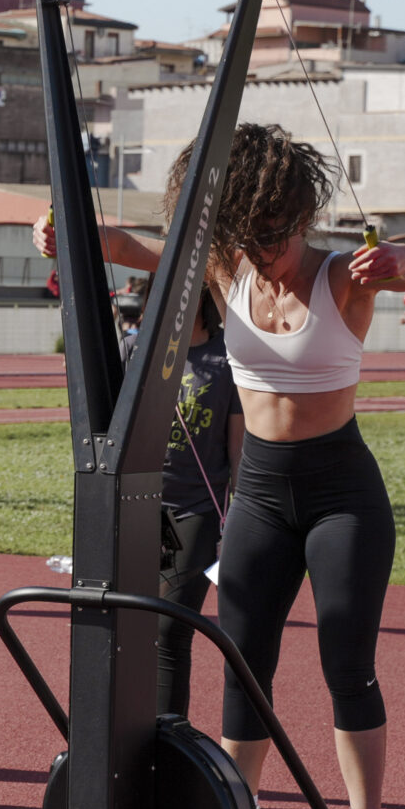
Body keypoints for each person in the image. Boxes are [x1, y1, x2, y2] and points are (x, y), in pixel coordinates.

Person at [37, 122, 405, 809]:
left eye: (276, 235)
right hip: (258, 493)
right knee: (243, 665)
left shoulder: (342, 274)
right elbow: (124, 246)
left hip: (342, 495)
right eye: (249, 235)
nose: (265, 252)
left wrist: (404, 257)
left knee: (347, 664)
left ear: (300, 217)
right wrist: (61, 231)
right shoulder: (224, 266)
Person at [158, 298, 243, 718]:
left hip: (197, 510)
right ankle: (122, 733)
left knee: (170, 629)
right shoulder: (137, 349)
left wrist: (239, 516)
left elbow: (238, 447)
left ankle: (167, 734)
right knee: (127, 627)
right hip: (137, 507)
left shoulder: (229, 357)